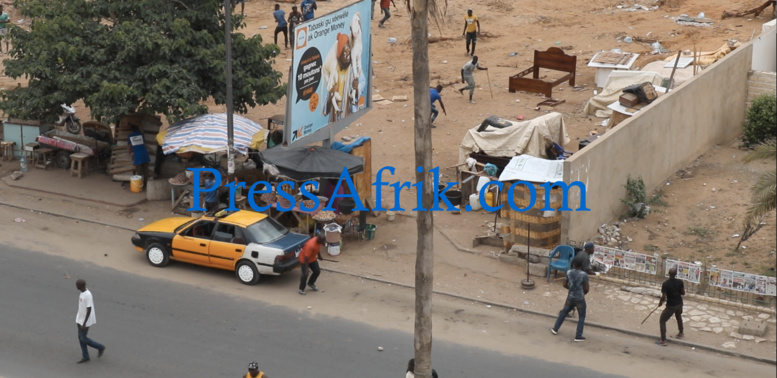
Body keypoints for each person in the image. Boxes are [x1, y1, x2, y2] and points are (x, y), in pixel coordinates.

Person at [549, 259, 589, 342]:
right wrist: (582, 293)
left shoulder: (569, 272)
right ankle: (578, 335)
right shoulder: (584, 275)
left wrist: (571, 289)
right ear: (581, 266)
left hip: (570, 297)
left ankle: (555, 328)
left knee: (564, 312)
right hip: (580, 298)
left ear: (573, 265)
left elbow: (564, 284)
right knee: (581, 316)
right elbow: (586, 288)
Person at [322, 33, 353, 122]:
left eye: (349, 53)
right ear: (339, 56)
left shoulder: (352, 71)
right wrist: (330, 96)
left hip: (347, 116)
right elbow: (325, 111)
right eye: (345, 53)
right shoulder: (334, 74)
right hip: (334, 120)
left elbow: (362, 84)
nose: (348, 56)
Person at [75, 279, 106, 363]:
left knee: (83, 338)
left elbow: (89, 309)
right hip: (80, 319)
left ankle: (100, 347)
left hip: (85, 321)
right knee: (80, 338)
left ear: (80, 286)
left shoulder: (87, 295)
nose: (76, 286)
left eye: (77, 285)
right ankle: (85, 356)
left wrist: (84, 324)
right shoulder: (82, 293)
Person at [657, 266, 685, 346]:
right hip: (679, 303)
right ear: (676, 274)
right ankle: (681, 332)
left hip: (671, 305)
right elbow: (683, 293)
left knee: (662, 320)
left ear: (669, 274)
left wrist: (660, 303)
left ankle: (663, 339)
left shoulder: (666, 284)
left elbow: (663, 296)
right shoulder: (680, 282)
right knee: (678, 316)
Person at [128, 124, 151, 191]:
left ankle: (140, 186)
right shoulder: (141, 135)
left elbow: (129, 144)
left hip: (137, 155)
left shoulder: (130, 136)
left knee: (139, 172)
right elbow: (143, 142)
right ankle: (146, 185)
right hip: (145, 153)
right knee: (145, 171)